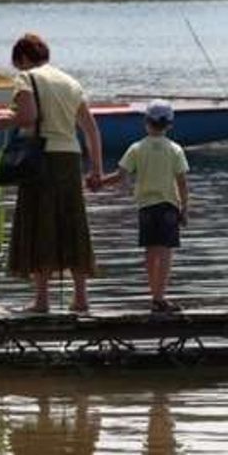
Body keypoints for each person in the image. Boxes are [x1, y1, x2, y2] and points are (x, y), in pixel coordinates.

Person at [0, 33, 104, 314]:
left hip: (42, 158)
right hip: (70, 158)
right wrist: (96, 170)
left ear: (23, 58)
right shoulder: (71, 82)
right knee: (73, 222)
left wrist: (6, 120)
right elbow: (91, 129)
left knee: (39, 221)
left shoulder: (27, 78)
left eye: (18, 63)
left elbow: (28, 116)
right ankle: (81, 299)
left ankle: (41, 300)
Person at [97, 99, 189, 313]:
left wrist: (99, 182)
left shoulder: (136, 148)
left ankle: (153, 296)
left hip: (146, 208)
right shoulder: (175, 150)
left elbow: (120, 176)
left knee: (150, 252)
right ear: (170, 125)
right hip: (168, 207)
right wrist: (185, 209)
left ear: (146, 123)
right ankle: (160, 297)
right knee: (165, 253)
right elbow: (182, 183)